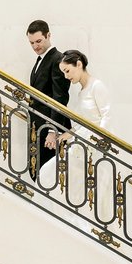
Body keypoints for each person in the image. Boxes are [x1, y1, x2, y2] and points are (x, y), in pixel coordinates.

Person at [55, 50, 114, 226]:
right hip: (81, 144)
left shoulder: (97, 86)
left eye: (67, 71)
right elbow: (82, 123)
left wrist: (99, 141)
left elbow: (107, 115)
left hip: (95, 147)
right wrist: (68, 134)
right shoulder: (81, 93)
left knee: (95, 192)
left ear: (78, 64)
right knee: (52, 176)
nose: (66, 76)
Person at [26, 20, 71, 180]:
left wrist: (53, 131)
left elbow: (60, 98)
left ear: (48, 36)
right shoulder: (41, 60)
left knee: (49, 177)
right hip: (38, 127)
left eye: (39, 41)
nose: (35, 46)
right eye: (31, 43)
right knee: (39, 174)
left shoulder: (57, 59)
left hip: (49, 130)